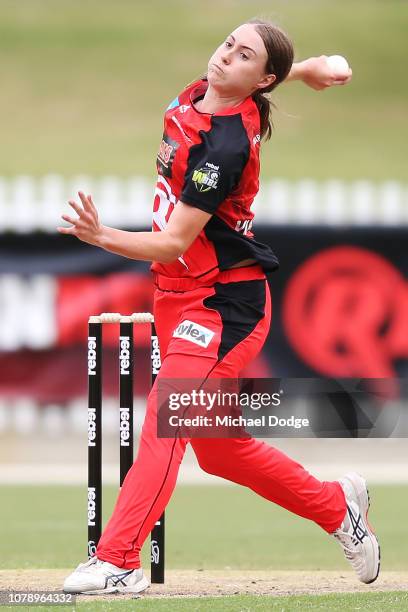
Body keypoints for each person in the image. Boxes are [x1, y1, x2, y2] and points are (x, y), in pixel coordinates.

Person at [59, 20, 379, 595]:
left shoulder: (224, 146)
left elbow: (172, 242)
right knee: (221, 451)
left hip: (222, 305)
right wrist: (311, 70)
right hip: (176, 297)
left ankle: (118, 561)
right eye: (229, 44)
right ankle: (336, 507)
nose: (226, 57)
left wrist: (100, 235)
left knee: (167, 420)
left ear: (261, 79)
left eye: (244, 56)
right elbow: (265, 76)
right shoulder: (204, 93)